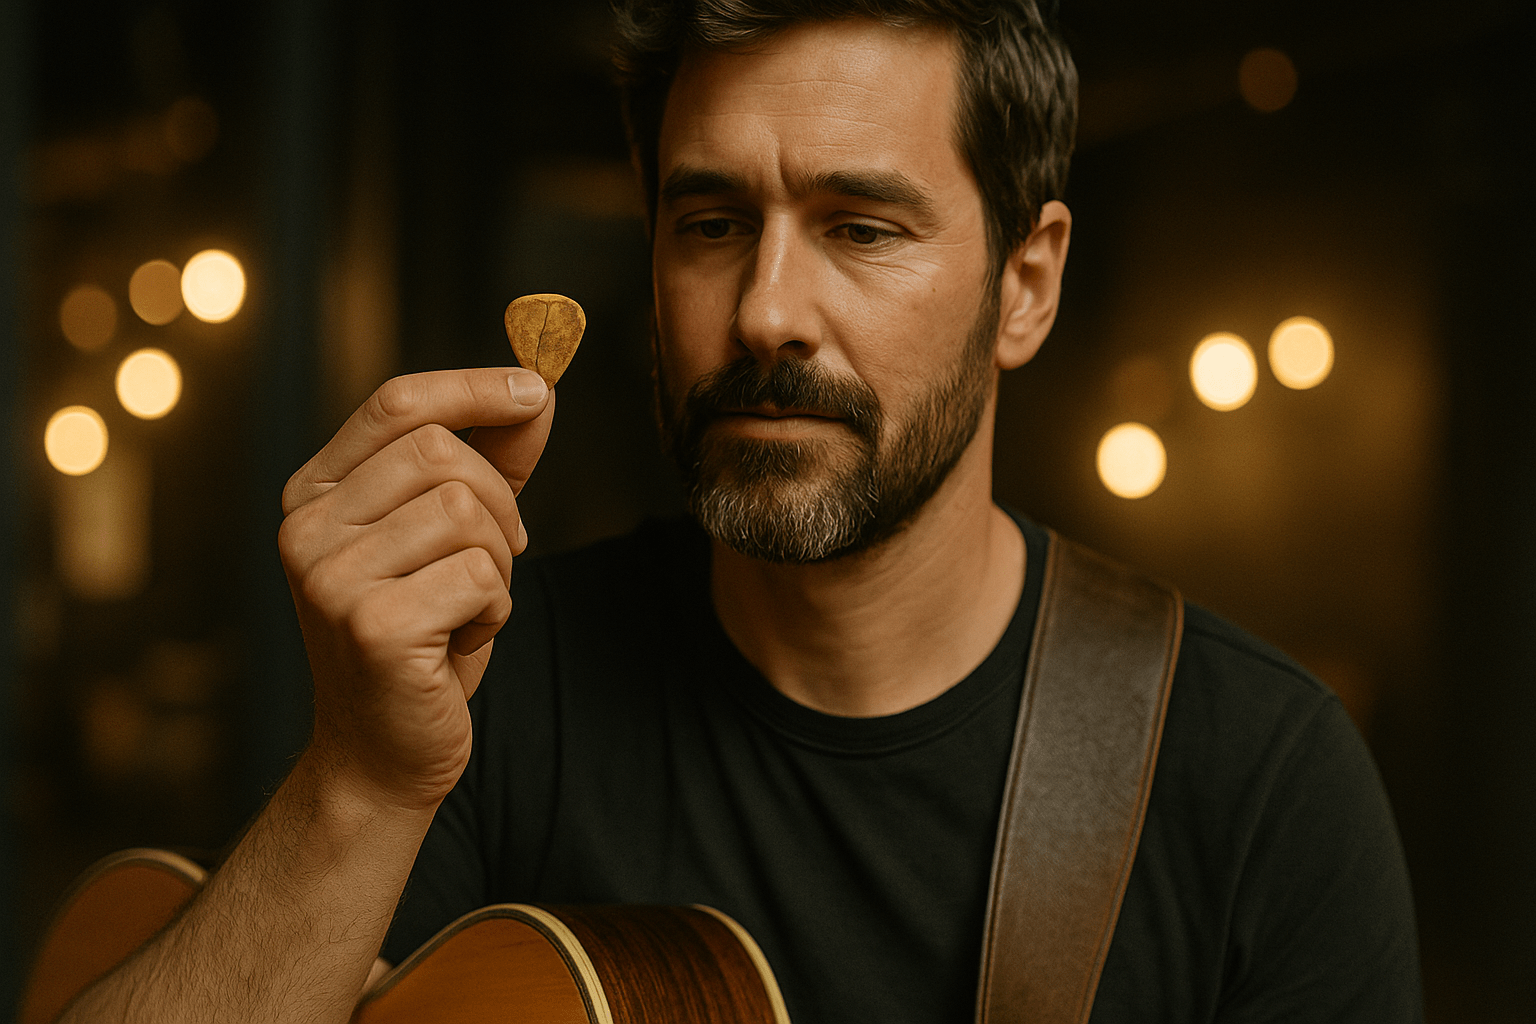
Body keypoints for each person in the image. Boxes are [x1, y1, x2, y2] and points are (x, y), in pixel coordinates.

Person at [56, 1, 1423, 1022]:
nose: (766, 309)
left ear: (1028, 283)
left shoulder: (1255, 782)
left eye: (861, 227)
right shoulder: (491, 681)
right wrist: (358, 782)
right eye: (711, 222)